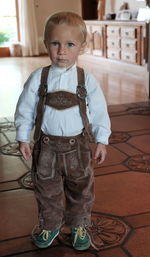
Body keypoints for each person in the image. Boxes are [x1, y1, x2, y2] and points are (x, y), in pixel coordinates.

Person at [15, 11, 111, 251]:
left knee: (82, 189)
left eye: (70, 44)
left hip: (77, 148)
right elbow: (25, 109)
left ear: (82, 47)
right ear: (45, 44)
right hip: (46, 148)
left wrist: (102, 139)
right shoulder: (39, 77)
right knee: (47, 189)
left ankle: (79, 225)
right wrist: (22, 137)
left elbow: (99, 111)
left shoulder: (85, 80)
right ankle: (50, 224)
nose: (62, 51)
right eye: (55, 43)